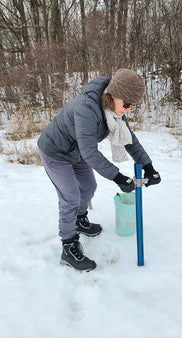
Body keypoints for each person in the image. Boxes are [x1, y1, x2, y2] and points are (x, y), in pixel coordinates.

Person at [37, 68, 162, 271]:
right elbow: (89, 151)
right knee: (70, 196)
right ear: (114, 95)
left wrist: (149, 167)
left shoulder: (113, 110)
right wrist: (118, 177)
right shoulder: (87, 108)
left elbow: (130, 140)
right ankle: (68, 246)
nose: (129, 109)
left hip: (75, 150)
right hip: (56, 151)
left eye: (133, 106)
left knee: (88, 187)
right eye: (128, 104)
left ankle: (79, 219)